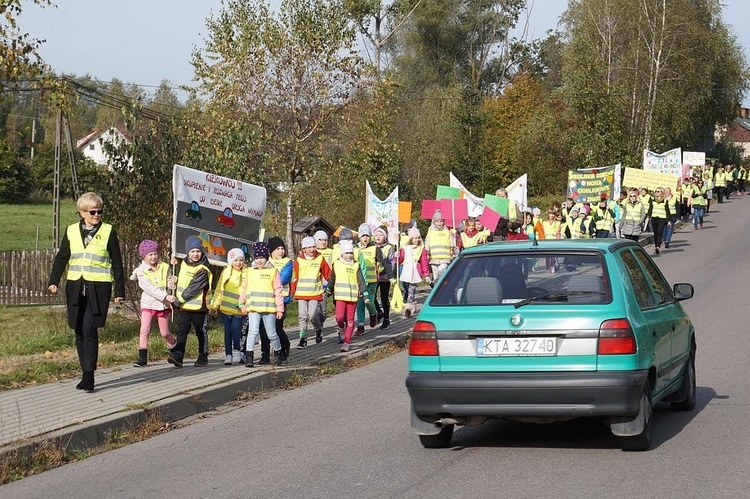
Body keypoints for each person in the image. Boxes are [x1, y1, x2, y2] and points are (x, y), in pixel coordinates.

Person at [49, 192, 125, 392]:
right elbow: (62, 257)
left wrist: (120, 290)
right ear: (82, 212)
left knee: (90, 329)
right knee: (79, 330)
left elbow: (117, 264)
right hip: (75, 286)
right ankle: (85, 373)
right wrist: (54, 281)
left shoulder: (108, 231)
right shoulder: (72, 230)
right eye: (93, 211)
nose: (97, 214)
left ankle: (89, 376)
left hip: (98, 288)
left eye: (100, 211)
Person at [167, 235, 213, 368]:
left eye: (198, 251)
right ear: (187, 252)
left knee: (200, 331)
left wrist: (178, 301)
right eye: (192, 251)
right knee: (182, 331)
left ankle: (203, 356)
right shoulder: (184, 263)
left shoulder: (203, 269)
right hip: (184, 307)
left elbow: (193, 288)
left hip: (199, 307)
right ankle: (178, 356)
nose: (196, 254)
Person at [130, 239, 176, 367]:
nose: (153, 257)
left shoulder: (165, 267)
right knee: (144, 329)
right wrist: (165, 295)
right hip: (148, 303)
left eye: (155, 254)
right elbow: (148, 288)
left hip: (163, 304)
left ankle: (173, 347)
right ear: (144, 256)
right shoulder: (141, 271)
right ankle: (142, 357)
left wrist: (171, 283)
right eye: (150, 255)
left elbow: (168, 283)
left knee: (164, 332)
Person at [240, 241, 284, 367]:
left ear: (266, 257)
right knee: (252, 332)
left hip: (269, 309)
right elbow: (244, 288)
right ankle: (249, 356)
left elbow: (278, 290)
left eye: (262, 257)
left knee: (271, 333)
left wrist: (279, 309)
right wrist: (241, 304)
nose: (259, 261)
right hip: (253, 308)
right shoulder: (249, 271)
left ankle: (277, 352)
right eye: (257, 258)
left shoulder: (273, 271)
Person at [325, 239, 369, 352]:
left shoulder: (356, 265)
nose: (349, 255)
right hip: (340, 297)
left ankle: (347, 342)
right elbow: (331, 279)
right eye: (347, 253)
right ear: (342, 254)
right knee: (339, 318)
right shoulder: (337, 265)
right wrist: (328, 292)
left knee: (350, 321)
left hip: (352, 298)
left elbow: (361, 281)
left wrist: (365, 295)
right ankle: (341, 328)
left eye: (351, 253)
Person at [291, 236, 330, 347]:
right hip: (301, 293)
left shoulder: (320, 258)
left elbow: (328, 273)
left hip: (315, 293)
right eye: (309, 247)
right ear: (304, 249)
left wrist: (332, 286)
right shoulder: (299, 260)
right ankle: (303, 339)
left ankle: (318, 329)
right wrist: (292, 292)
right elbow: (295, 277)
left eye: (313, 247)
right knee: (302, 316)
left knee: (312, 316)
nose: (312, 249)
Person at [210, 248, 247, 365]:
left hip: (239, 309)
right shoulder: (226, 272)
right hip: (226, 309)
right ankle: (228, 354)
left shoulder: (247, 273)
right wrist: (214, 305)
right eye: (236, 260)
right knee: (227, 332)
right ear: (231, 261)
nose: (238, 263)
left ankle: (237, 350)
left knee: (236, 329)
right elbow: (219, 290)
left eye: (241, 260)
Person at [259, 236, 292, 362]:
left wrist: (267, 279)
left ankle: (283, 347)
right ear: (271, 251)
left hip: (281, 301)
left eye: (282, 248)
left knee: (276, 327)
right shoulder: (264, 262)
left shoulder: (287, 262)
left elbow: (283, 279)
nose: (280, 251)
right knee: (263, 329)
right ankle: (265, 354)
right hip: (265, 300)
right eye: (277, 249)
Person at [355, 223, 383, 335]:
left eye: (367, 236)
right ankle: (360, 326)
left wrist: (379, 270)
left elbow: (382, 263)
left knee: (369, 302)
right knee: (360, 304)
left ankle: (373, 314)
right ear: (359, 237)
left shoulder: (375, 248)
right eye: (363, 236)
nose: (365, 238)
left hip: (372, 282)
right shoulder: (355, 249)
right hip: (360, 282)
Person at [398, 226, 429, 318]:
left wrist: (426, 274)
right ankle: (413, 304)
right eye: (415, 238)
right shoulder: (405, 248)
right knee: (409, 289)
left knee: (411, 289)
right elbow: (400, 260)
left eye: (419, 238)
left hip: (416, 271)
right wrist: (397, 256)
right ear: (411, 238)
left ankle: (408, 307)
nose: (417, 239)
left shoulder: (422, 249)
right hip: (407, 271)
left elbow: (424, 263)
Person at [373, 226, 396, 329]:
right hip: (373, 276)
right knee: (372, 297)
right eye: (376, 235)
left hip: (385, 276)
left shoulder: (389, 247)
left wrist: (391, 275)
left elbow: (391, 262)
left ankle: (386, 319)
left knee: (384, 298)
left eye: (380, 235)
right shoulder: (372, 247)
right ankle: (379, 312)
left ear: (385, 237)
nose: (378, 237)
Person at [424, 210, 455, 285]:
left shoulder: (447, 232)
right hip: (433, 258)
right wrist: (426, 253)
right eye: (437, 221)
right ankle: (436, 291)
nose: (439, 223)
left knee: (442, 273)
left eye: (441, 221)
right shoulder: (430, 232)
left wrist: (454, 237)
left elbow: (452, 244)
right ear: (434, 222)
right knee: (435, 276)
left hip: (445, 258)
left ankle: (442, 289)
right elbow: (427, 243)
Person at [314, 229, 333, 338]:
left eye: (325, 240)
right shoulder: (313, 252)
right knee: (314, 310)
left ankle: (320, 324)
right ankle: (318, 327)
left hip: (326, 284)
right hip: (315, 285)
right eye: (320, 240)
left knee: (323, 310)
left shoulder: (331, 251)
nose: (323, 242)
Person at [648, 187, 671, 255]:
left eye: (659, 191)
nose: (657, 193)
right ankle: (656, 246)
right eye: (656, 191)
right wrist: (648, 217)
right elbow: (650, 209)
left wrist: (669, 220)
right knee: (655, 233)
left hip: (662, 218)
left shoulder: (665, 201)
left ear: (662, 193)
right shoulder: (652, 200)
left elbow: (667, 211)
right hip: (654, 218)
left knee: (659, 232)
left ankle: (658, 247)